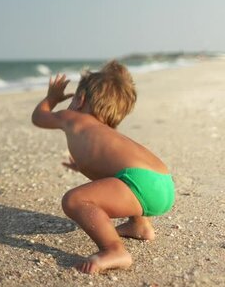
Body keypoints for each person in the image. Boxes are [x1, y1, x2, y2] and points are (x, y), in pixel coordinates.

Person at [31, 60, 175, 274]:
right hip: (164, 181)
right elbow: (109, 167)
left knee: (74, 200)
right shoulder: (109, 132)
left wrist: (51, 98)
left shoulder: (72, 116)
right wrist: (80, 166)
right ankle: (140, 226)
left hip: (140, 182)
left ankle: (114, 249)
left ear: (80, 99)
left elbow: (39, 118)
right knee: (119, 180)